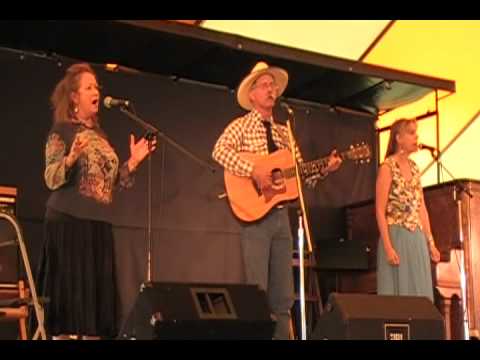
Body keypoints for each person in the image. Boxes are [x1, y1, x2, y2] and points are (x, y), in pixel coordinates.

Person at [212, 61, 342, 339]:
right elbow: (219, 152)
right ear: (252, 95)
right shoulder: (241, 126)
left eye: (273, 85)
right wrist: (255, 171)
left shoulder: (286, 132)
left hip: (282, 217)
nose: (271, 90)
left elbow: (299, 177)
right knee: (256, 293)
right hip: (255, 217)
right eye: (265, 85)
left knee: (283, 296)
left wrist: (323, 169)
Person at [35, 63, 156, 339]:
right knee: (69, 307)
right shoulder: (61, 132)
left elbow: (109, 185)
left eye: (97, 87)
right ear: (74, 97)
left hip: (98, 226)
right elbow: (51, 178)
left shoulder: (101, 136)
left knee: (94, 313)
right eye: (89, 87)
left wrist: (133, 162)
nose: (96, 91)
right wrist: (71, 157)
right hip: (68, 224)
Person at [375, 118, 440, 302]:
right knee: (398, 297)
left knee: (420, 295)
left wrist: (430, 242)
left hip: (416, 239)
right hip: (395, 236)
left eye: (416, 133)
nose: (416, 137)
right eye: (411, 133)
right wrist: (388, 247)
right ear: (398, 138)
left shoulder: (415, 168)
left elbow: (422, 208)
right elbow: (379, 210)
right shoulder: (387, 167)